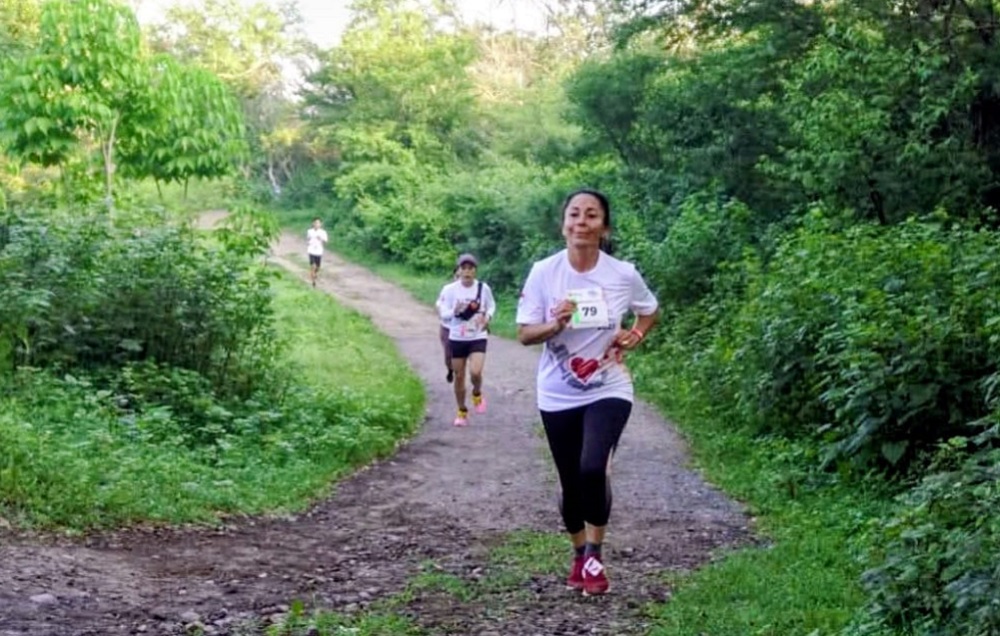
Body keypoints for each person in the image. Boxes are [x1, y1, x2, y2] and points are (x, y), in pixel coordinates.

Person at [515, 188, 659, 596]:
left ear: (604, 226)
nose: (582, 221)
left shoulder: (622, 273)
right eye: (574, 214)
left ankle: (595, 555)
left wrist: (635, 335)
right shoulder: (544, 272)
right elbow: (525, 334)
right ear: (563, 224)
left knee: (593, 468)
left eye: (591, 215)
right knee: (570, 481)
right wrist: (555, 325)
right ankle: (578, 553)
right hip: (557, 392)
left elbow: (649, 310)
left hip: (608, 386)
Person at [437, 253, 496, 426]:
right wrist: (454, 311)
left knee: (475, 372)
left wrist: (488, 317)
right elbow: (444, 314)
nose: (467, 272)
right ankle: (461, 410)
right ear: (459, 270)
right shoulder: (449, 290)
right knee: (459, 375)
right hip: (457, 336)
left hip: (477, 335)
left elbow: (491, 305)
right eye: (464, 268)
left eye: (471, 268)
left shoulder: (483, 288)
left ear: (475, 271)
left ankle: (477, 393)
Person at [440, 266, 459, 383]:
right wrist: (454, 311)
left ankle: (460, 374)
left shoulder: (473, 290)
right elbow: (442, 309)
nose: (459, 279)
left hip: (464, 330)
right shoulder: (447, 289)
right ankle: (450, 369)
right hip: (447, 327)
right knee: (448, 356)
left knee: (461, 357)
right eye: (457, 276)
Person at [306, 217, 328, 287]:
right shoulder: (309, 231)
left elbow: (326, 241)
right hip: (311, 250)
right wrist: (309, 242)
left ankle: (314, 273)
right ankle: (313, 281)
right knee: (313, 266)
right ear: (313, 224)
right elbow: (308, 239)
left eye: (318, 223)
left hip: (319, 251)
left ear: (321, 224)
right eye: (315, 223)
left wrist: (320, 238)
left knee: (318, 267)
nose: (317, 224)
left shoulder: (323, 232)